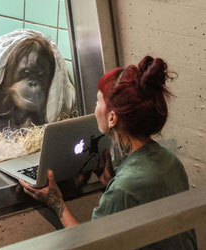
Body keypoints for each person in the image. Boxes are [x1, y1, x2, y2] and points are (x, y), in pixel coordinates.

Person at [19, 56, 198, 249]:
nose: (95, 109)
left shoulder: (123, 189)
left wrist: (56, 203)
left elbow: (92, 247)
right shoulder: (169, 160)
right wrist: (110, 183)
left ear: (112, 118)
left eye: (97, 102)